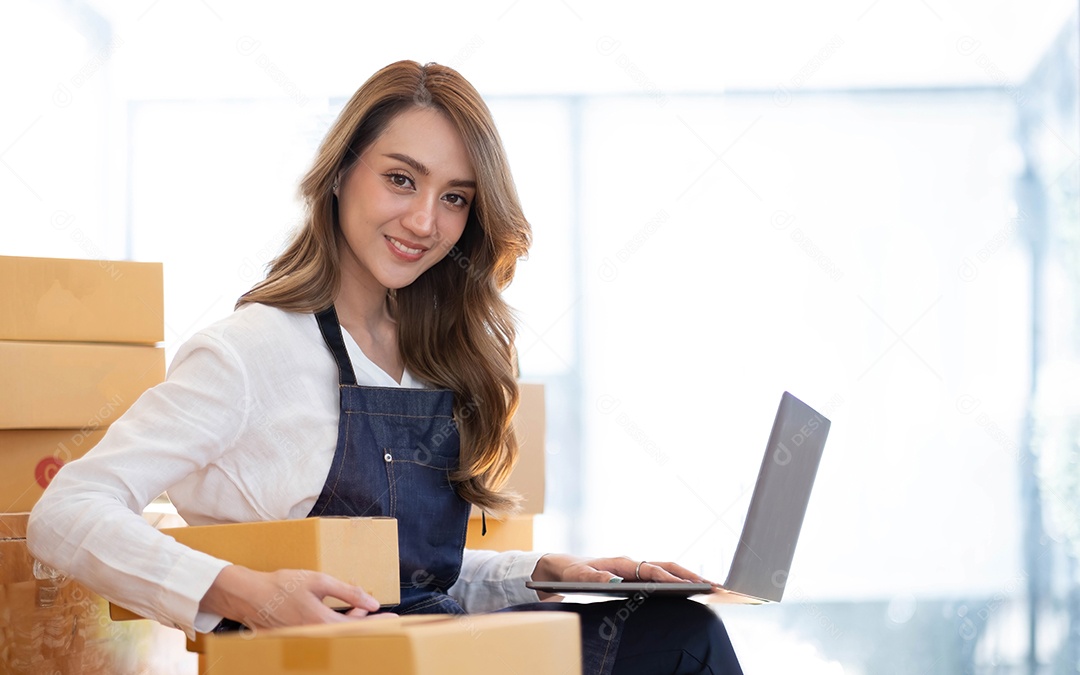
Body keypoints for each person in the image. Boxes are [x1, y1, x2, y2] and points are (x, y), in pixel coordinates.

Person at [27, 60, 743, 675]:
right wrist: (246, 591)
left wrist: (540, 573)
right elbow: (65, 511)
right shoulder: (251, 352)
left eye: (455, 197)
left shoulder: (433, 359)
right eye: (402, 179)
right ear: (340, 175)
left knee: (683, 636)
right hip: (330, 664)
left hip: (433, 651)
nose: (426, 221)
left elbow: (414, 585)